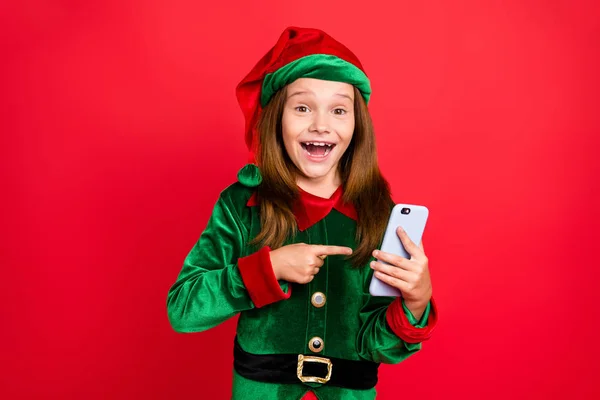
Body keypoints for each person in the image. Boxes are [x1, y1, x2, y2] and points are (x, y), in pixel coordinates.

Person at [166, 26, 438, 400]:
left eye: (339, 110)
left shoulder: (381, 216)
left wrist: (416, 302)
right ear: (277, 118)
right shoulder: (241, 206)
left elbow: (379, 346)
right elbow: (183, 310)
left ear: (358, 125)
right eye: (302, 107)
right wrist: (270, 268)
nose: (321, 125)